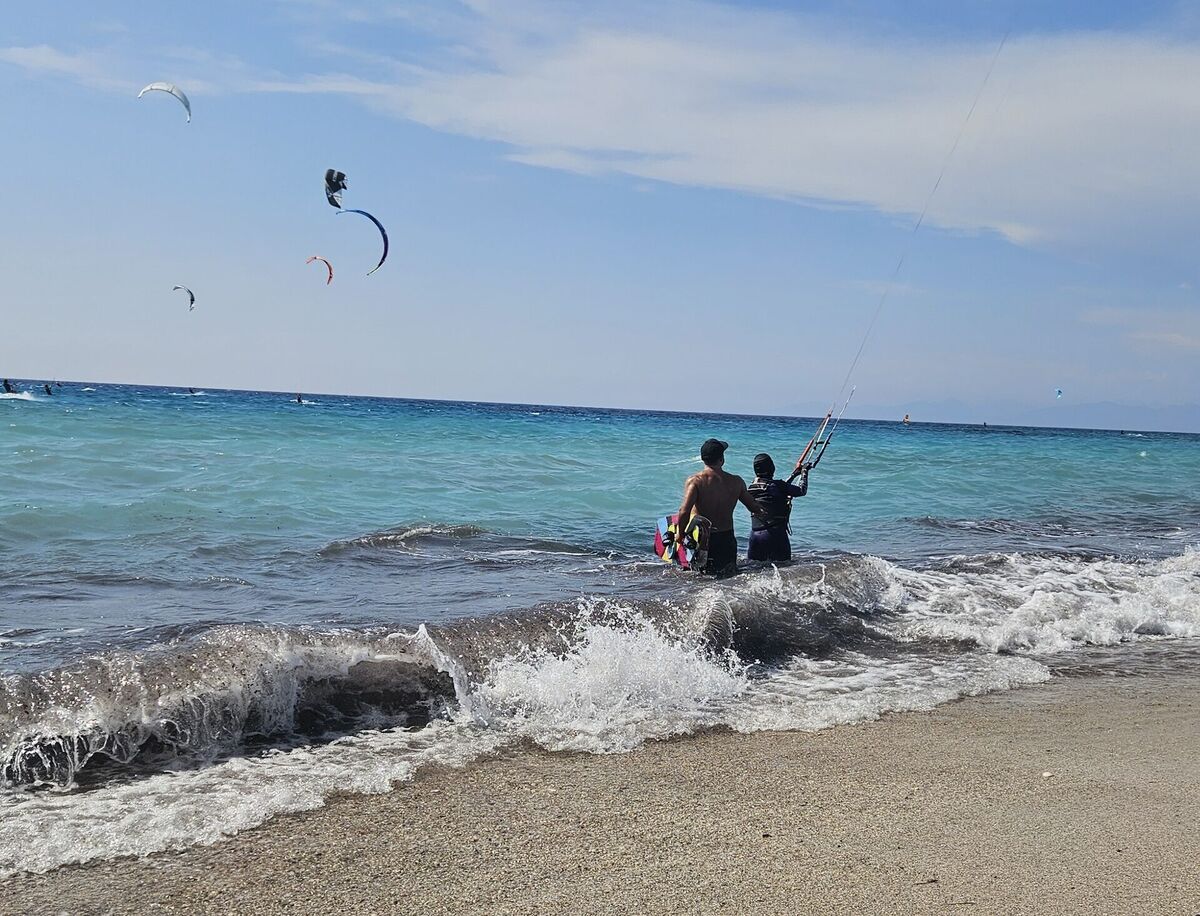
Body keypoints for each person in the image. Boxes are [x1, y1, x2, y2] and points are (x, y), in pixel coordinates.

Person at [677, 438, 767, 577]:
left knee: (700, 579)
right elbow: (754, 508)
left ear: (702, 459)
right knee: (729, 578)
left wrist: (680, 534)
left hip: (703, 539)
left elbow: (684, 511)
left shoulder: (695, 481)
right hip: (727, 539)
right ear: (721, 459)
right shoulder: (736, 481)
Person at [746, 453, 809, 563]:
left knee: (754, 570)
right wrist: (804, 472)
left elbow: (776, 487)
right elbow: (801, 490)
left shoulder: (751, 488)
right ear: (772, 468)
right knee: (783, 568)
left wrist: (794, 475)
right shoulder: (779, 486)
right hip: (775, 535)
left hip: (755, 536)